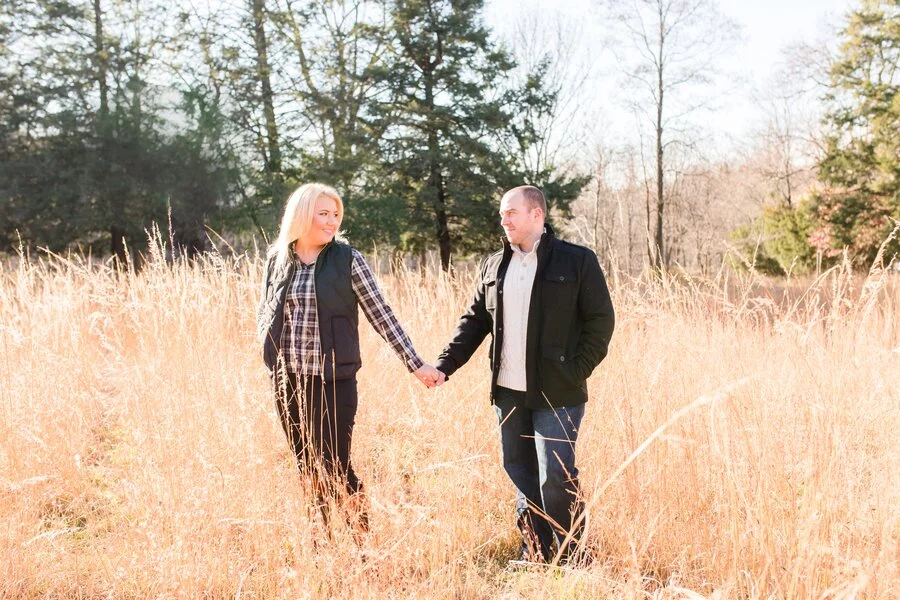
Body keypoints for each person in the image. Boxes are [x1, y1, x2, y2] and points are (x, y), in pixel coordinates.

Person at [434, 185, 615, 564]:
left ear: (537, 215)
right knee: (520, 471)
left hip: (558, 392)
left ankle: (571, 556)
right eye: (502, 213)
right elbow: (474, 322)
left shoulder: (577, 261)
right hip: (508, 392)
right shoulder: (493, 266)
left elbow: (601, 322)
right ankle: (535, 550)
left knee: (555, 475)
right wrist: (444, 365)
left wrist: (575, 371)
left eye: (512, 212)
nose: (504, 219)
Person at [257, 182, 442, 533]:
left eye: (336, 215)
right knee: (306, 466)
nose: (331, 221)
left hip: (333, 381)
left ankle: (362, 545)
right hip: (288, 381)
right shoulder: (278, 259)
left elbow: (380, 313)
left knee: (335, 465)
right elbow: (266, 314)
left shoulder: (347, 259)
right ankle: (322, 542)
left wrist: (415, 363)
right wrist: (270, 362)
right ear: (301, 215)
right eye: (323, 214)